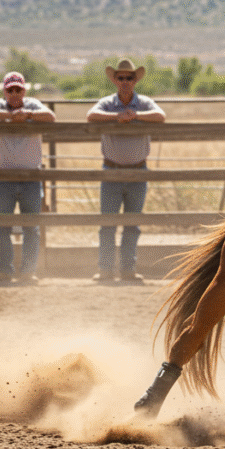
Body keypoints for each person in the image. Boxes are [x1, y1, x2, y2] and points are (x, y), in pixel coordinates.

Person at [86, 58, 166, 284]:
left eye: (129, 78)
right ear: (115, 80)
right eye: (120, 78)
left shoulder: (145, 103)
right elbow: (91, 116)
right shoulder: (107, 103)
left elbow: (161, 116)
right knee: (108, 223)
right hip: (111, 170)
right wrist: (116, 117)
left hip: (138, 170)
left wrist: (136, 115)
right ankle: (105, 270)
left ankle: (128, 270)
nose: (125, 82)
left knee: (132, 223)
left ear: (135, 80)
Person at [0, 72, 56, 285]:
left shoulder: (32, 105)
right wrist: (11, 117)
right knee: (2, 225)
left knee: (31, 226)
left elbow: (50, 116)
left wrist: (27, 116)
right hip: (4, 176)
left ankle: (28, 271)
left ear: (24, 91)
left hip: (31, 176)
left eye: (18, 90)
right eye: (10, 90)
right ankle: (5, 269)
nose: (14, 94)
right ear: (4, 91)